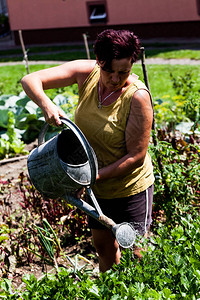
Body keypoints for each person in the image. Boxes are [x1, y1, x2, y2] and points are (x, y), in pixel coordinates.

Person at [21, 29, 154, 273]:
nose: (115, 79)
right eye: (108, 71)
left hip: (128, 188)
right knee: (103, 248)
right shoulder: (87, 73)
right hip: (94, 185)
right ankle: (109, 292)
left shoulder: (137, 97)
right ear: (99, 62)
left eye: (123, 72)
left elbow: (136, 157)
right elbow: (30, 80)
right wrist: (46, 104)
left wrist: (91, 178)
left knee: (136, 253)